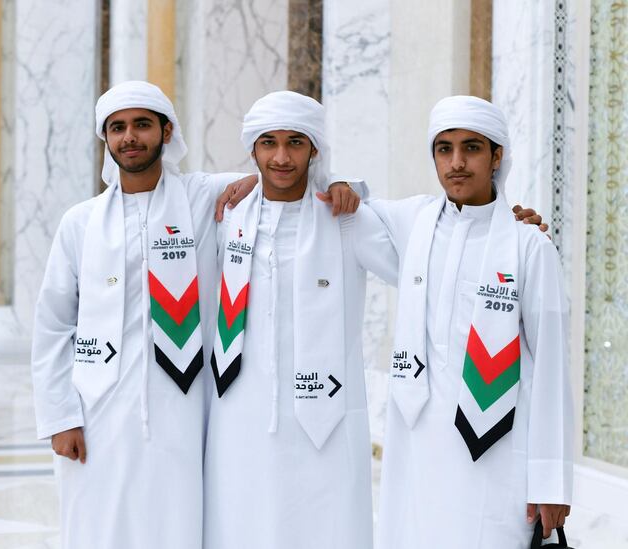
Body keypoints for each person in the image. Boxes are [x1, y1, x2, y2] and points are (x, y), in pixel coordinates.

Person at [31, 81, 360, 548]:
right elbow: (53, 325)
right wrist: (60, 417)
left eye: (142, 125)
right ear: (106, 139)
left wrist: (341, 185)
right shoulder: (79, 223)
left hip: (183, 410)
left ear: (167, 132)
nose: (130, 137)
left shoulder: (204, 198)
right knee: (97, 525)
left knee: (178, 524)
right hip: (97, 410)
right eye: (118, 128)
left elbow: (285, 177)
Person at [371, 96, 573, 548]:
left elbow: (552, 369)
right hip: (418, 447)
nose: (457, 163)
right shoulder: (412, 223)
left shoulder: (528, 247)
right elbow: (340, 206)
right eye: (444, 149)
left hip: (497, 452)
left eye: (472, 148)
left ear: (497, 156)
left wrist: (551, 483)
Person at [203, 90, 400, 549]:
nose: (282, 156)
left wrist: (511, 232)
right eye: (268, 142)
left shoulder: (346, 217)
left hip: (324, 420)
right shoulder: (226, 216)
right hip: (240, 413)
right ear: (252, 149)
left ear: (315, 148)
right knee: (241, 524)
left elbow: (420, 261)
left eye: (296, 142)